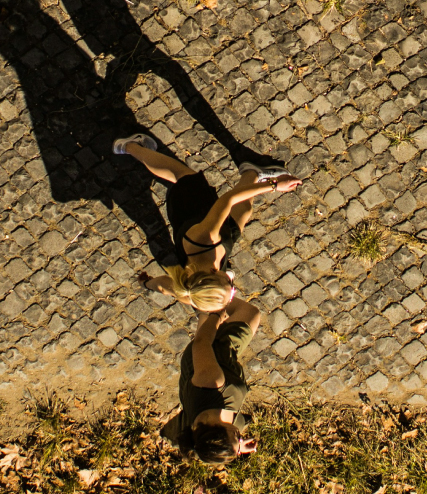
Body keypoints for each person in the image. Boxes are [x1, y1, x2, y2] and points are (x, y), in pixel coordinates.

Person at [114, 134, 301, 311]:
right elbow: (163, 287)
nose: (233, 284)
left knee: (178, 173)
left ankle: (130, 146)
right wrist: (146, 283)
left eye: (230, 285)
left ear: (213, 274)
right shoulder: (192, 292)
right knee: (244, 211)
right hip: (218, 239)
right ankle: (252, 171)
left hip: (191, 205)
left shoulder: (207, 238)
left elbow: (228, 200)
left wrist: (274, 186)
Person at [160, 300, 262, 463]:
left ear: (220, 432)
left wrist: (217, 315)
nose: (240, 436)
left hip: (218, 350)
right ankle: (203, 312)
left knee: (250, 314)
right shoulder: (202, 430)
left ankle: (213, 297)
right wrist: (239, 447)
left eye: (236, 437)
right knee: (205, 326)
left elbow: (201, 344)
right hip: (215, 369)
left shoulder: (211, 384)